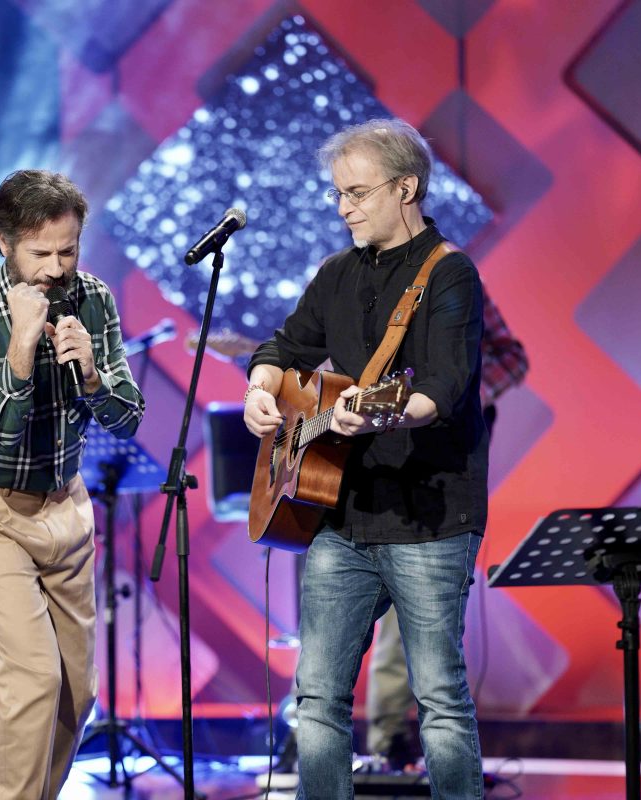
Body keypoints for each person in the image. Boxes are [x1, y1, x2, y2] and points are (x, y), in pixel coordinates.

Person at [243, 119, 488, 799]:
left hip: (430, 517)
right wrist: (260, 388)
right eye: (338, 194)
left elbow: (443, 388)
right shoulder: (337, 272)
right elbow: (284, 346)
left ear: (406, 188)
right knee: (317, 696)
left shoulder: (451, 274)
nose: (343, 208)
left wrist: (384, 411)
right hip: (342, 517)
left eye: (356, 193)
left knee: (439, 699)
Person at [0, 169, 144, 799]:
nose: (56, 268)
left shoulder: (93, 299)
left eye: (67, 250)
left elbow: (129, 418)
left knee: (77, 691)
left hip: (64, 505)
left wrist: (93, 377)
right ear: (4, 242)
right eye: (40, 253)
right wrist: (23, 342)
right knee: (31, 680)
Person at [366, 289, 528, 768]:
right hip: (381, 463)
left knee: (427, 607)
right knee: (379, 607)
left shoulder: (454, 276)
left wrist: (462, 395)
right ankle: (390, 746)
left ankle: (415, 751)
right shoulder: (356, 281)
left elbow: (511, 357)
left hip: (444, 474)